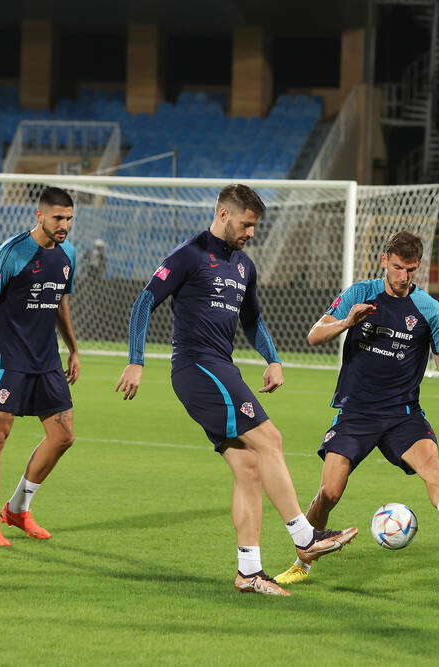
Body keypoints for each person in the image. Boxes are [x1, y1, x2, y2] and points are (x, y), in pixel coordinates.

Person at [115, 184, 357, 597]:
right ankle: (304, 536)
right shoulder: (189, 255)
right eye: (246, 224)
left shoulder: (245, 267)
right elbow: (144, 303)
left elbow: (253, 320)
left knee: (248, 468)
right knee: (271, 439)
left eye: (255, 227)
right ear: (223, 214)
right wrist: (137, 360)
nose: (250, 233)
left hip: (221, 367)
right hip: (196, 367)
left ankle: (249, 571)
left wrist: (273, 358)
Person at [274, 231, 439, 585]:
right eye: (397, 268)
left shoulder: (429, 309)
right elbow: (314, 335)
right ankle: (301, 561)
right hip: (356, 411)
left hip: (401, 412)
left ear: (418, 267)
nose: (402, 277)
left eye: (410, 270)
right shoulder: (360, 294)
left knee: (431, 463)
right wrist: (347, 322)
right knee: (330, 492)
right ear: (385, 261)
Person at [0, 187, 80, 547]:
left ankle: (18, 509)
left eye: (69, 219)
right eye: (58, 218)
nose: (64, 225)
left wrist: (73, 349)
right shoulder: (12, 252)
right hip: (9, 358)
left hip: (46, 359)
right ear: (40, 215)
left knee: (63, 436)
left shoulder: (68, 254)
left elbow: (60, 303)